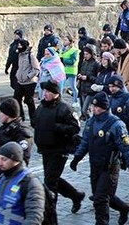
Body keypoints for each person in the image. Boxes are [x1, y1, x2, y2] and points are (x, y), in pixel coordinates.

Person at [70, 92, 129, 225]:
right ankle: (124, 208)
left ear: (104, 107)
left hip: (110, 167)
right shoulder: (91, 122)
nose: (94, 109)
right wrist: (77, 157)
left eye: (97, 107)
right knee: (102, 196)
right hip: (95, 165)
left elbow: (126, 148)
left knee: (100, 200)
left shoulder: (116, 125)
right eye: (93, 106)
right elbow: (85, 141)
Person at [32, 80, 84, 213]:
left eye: (49, 91)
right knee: (51, 177)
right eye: (45, 91)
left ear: (56, 93)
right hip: (45, 147)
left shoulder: (64, 108)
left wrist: (57, 127)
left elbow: (75, 127)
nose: (46, 94)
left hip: (59, 148)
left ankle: (50, 212)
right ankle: (75, 195)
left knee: (50, 181)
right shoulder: (41, 107)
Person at [0, 142, 45, 224]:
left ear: (15, 159)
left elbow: (34, 217)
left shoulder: (30, 183)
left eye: (4, 159)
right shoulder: (2, 178)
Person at [77, 45, 100, 120]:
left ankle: (90, 122)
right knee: (84, 110)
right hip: (83, 88)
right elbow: (82, 72)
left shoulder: (96, 64)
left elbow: (98, 79)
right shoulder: (84, 62)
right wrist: (80, 76)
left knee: (85, 109)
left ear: (92, 54)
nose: (85, 56)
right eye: (84, 54)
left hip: (91, 90)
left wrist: (88, 78)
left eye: (87, 54)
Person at [60, 35, 80, 105]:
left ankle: (75, 101)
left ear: (69, 41)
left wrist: (63, 60)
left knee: (73, 87)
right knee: (61, 86)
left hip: (71, 71)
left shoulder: (74, 50)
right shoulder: (62, 49)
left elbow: (72, 61)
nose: (64, 41)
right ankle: (60, 101)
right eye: (64, 40)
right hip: (63, 71)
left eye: (66, 40)